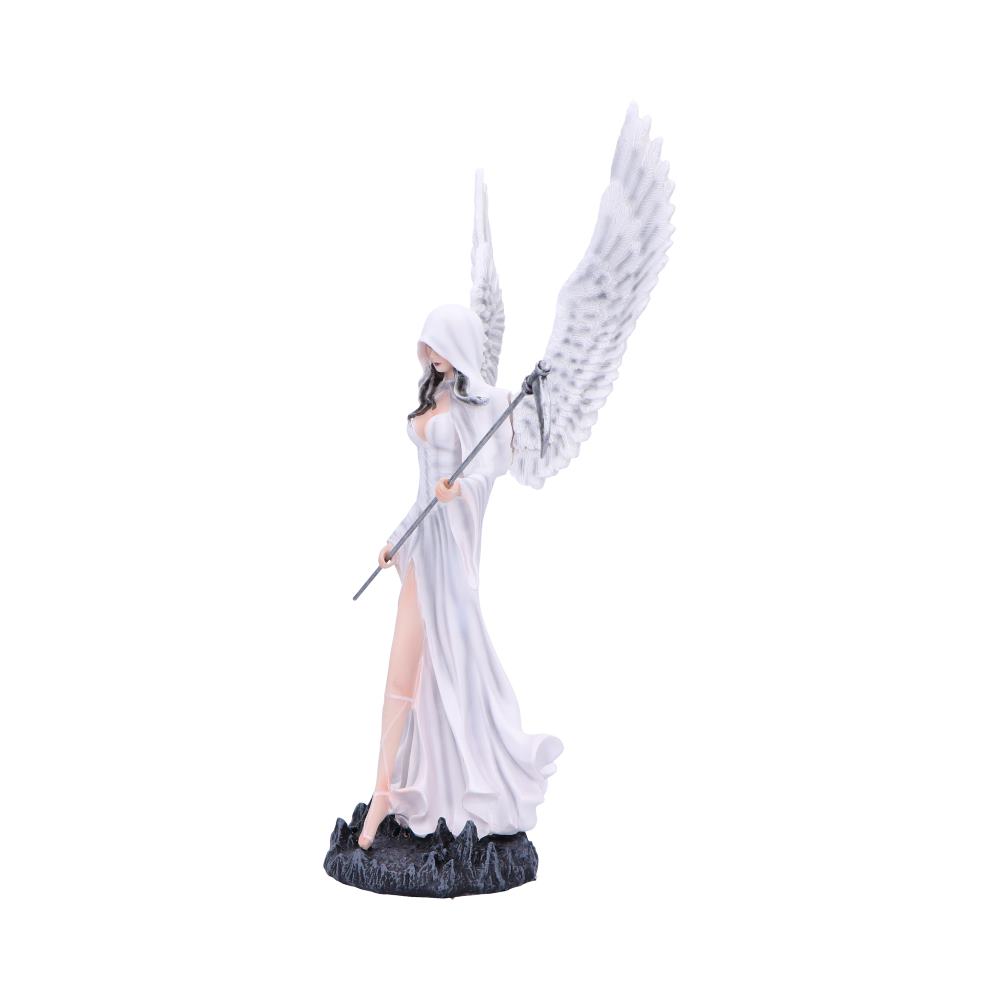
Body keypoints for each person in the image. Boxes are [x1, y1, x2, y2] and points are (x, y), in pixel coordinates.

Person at [357, 303, 563, 849]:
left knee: (459, 668)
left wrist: (460, 492)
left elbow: (483, 474)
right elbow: (421, 492)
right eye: (429, 345)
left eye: (443, 344)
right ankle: (384, 792)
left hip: (450, 555)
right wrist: (397, 536)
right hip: (422, 550)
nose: (434, 355)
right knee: (402, 671)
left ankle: (473, 782)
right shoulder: (434, 399)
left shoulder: (481, 405)